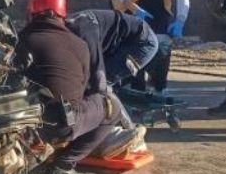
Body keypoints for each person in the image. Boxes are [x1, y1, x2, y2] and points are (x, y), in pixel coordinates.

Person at [17, 0, 140, 174]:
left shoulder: (19, 40)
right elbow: (82, 89)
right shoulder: (80, 44)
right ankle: (63, 165)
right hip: (62, 124)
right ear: (62, 14)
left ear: (31, 13)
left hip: (22, 125)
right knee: (111, 106)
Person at [66, 8, 159, 155]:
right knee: (90, 83)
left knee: (102, 83)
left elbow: (99, 79)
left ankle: (128, 134)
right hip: (120, 43)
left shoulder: (83, 33)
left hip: (142, 43)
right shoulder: (69, 29)